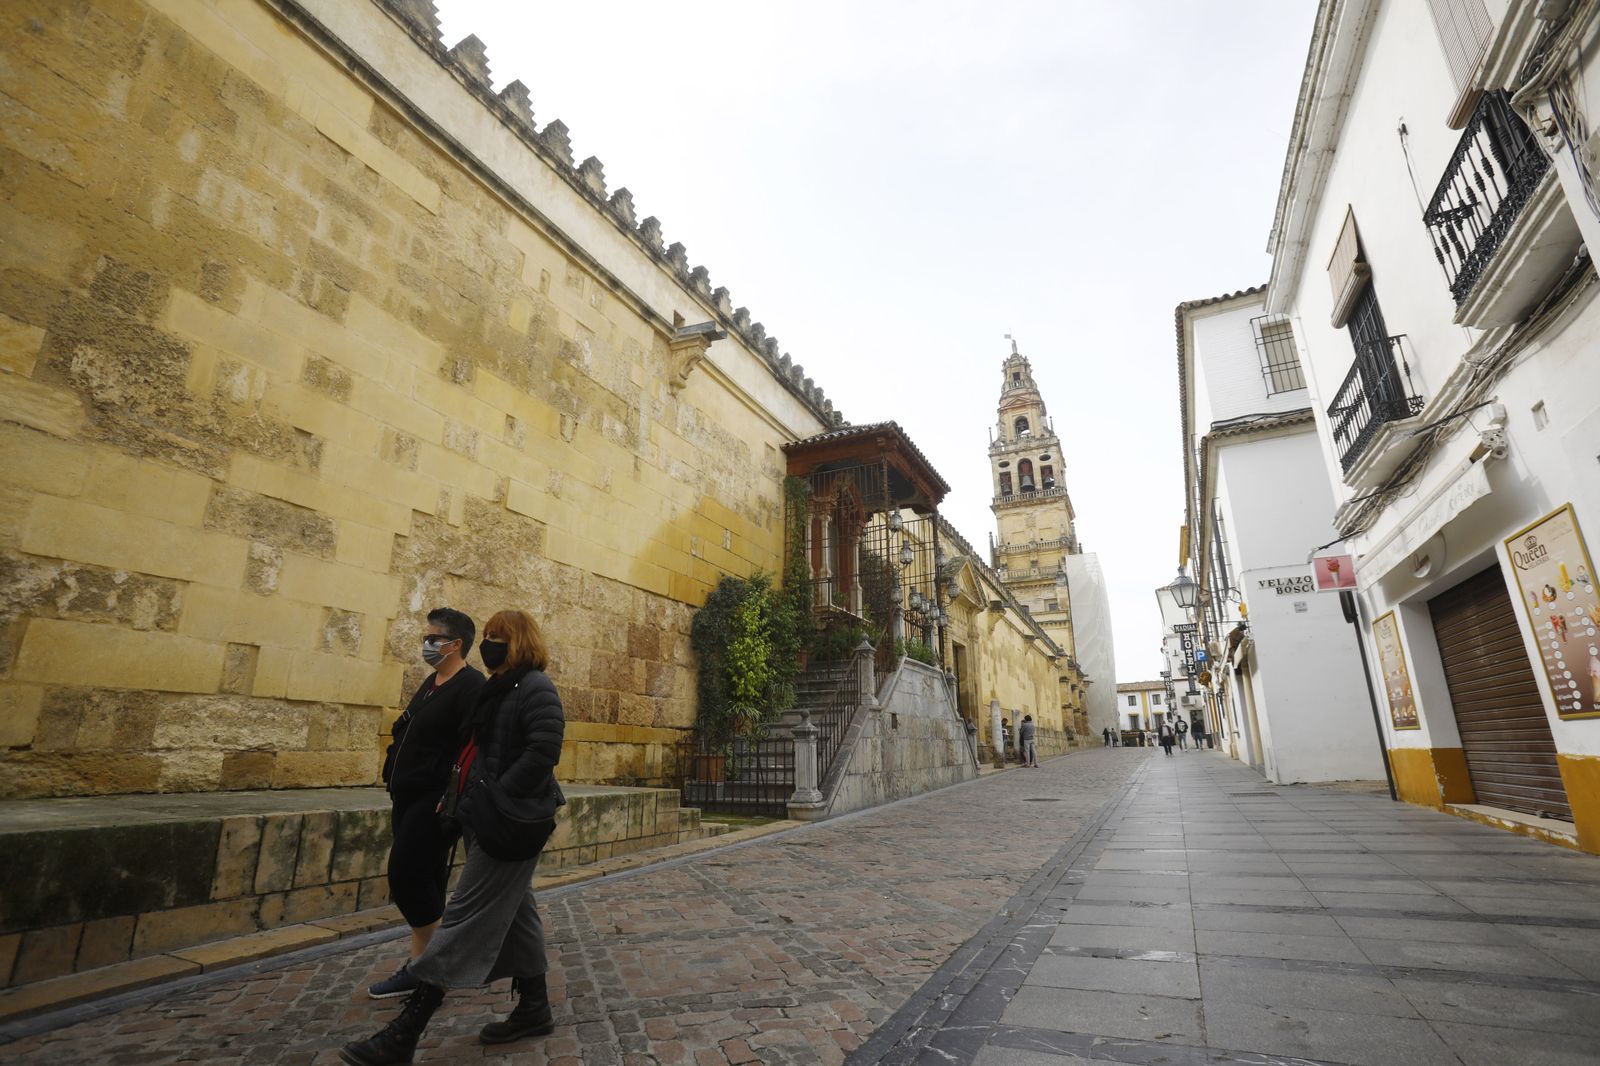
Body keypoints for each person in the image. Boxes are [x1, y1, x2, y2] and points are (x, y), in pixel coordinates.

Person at [340, 609, 566, 1065]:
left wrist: (498, 797)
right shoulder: (501, 689)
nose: (488, 644)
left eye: (496, 637)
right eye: (485, 637)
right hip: (484, 817)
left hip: (511, 822)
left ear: (518, 640)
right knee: (518, 913)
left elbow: (545, 750)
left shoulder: (536, 687)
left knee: (463, 917)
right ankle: (535, 1008)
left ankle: (406, 1032)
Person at [369, 608, 485, 1000]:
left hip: (434, 800)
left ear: (456, 644)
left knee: (405, 876)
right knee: (429, 881)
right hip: (406, 794)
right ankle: (422, 971)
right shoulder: (434, 681)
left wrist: (449, 798)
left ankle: (436, 963)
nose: (427, 644)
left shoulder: (470, 685)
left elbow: (471, 746)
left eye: (434, 638)